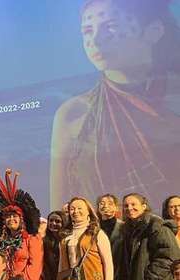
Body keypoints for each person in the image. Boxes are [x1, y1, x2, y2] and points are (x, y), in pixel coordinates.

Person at [50, 0, 180, 210]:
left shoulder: (173, 100)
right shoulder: (73, 114)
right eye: (88, 31)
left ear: (153, 31)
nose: (95, 40)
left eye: (110, 27)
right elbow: (59, 211)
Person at [42, 210, 69, 280]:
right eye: (51, 220)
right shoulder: (44, 241)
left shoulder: (67, 240)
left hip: (65, 279)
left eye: (57, 221)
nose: (53, 223)